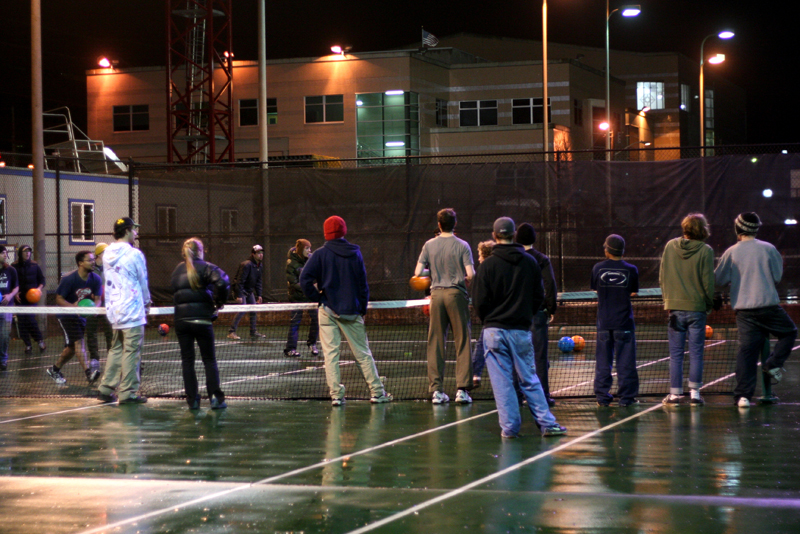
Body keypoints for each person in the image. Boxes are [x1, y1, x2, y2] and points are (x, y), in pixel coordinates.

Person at [472, 217, 566, 438]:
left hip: (493, 331)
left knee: (503, 383)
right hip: (521, 330)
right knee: (530, 379)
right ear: (513, 235)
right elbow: (538, 297)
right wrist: (523, 316)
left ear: (495, 236)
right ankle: (547, 424)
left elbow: (479, 302)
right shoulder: (530, 262)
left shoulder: (487, 266)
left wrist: (491, 319)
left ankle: (510, 429)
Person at [299, 215, 392, 406]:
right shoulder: (355, 253)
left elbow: (304, 280)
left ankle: (336, 396)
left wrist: (319, 298)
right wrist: (361, 307)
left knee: (331, 355)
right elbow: (362, 284)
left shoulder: (320, 254)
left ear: (326, 232)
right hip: (352, 310)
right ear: (344, 231)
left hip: (328, 310)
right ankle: (377, 392)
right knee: (363, 353)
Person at [715, 212, 798, 408]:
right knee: (789, 332)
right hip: (768, 306)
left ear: (738, 229)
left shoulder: (731, 252)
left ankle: (743, 396)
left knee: (747, 352)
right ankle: (773, 364)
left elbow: (718, 280)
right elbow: (777, 276)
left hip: (744, 311)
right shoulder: (769, 249)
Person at [415, 208, 475, 405]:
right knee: (463, 341)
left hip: (436, 296)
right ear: (454, 224)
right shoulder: (463, 245)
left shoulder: (428, 245)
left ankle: (437, 391)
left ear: (439, 224)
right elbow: (471, 274)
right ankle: (462, 390)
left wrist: (432, 272)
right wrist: (463, 279)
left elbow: (418, 272)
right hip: (456, 294)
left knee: (436, 342)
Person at [660, 214, 715, 406]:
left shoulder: (669, 246)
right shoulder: (706, 251)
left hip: (675, 309)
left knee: (675, 353)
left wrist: (668, 301)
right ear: (703, 229)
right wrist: (708, 305)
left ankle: (674, 395)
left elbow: (662, 276)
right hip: (697, 309)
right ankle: (695, 395)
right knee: (696, 352)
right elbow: (708, 282)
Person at [171, 238, 230, 410]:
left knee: (187, 360)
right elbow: (223, 282)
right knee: (209, 359)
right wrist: (218, 303)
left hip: (181, 321)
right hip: (202, 320)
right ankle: (216, 399)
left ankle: (193, 401)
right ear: (200, 251)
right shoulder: (207, 267)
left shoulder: (176, 270)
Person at [97, 217, 151, 404]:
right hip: (133, 311)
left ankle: (105, 388)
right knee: (131, 351)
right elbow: (142, 281)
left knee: (116, 349)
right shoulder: (134, 254)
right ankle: (127, 392)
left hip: (115, 311)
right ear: (127, 231)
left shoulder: (106, 254)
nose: (136, 233)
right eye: (134, 230)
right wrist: (147, 302)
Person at [591, 234, 640, 407]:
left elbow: (596, 289)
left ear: (607, 250)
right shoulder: (631, 269)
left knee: (603, 362)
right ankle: (626, 399)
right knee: (626, 362)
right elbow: (633, 291)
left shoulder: (598, 268)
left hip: (604, 323)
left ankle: (602, 397)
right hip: (624, 323)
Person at [515, 223, 558, 407]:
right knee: (539, 356)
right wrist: (551, 308)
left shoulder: (513, 258)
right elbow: (550, 285)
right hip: (537, 313)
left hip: (515, 314)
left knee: (516, 355)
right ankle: (543, 396)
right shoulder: (541, 259)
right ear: (534, 239)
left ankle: (517, 395)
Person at [46, 251, 103, 386]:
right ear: (80, 263)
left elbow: (98, 299)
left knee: (72, 348)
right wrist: (73, 308)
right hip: (66, 315)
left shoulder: (96, 279)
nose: (93, 262)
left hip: (81, 316)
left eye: (93, 259)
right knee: (79, 342)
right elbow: (59, 299)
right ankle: (89, 373)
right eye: (89, 260)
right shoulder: (69, 279)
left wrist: (95, 308)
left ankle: (54, 370)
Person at [284, 239, 319, 357]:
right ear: (301, 249)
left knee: (317, 319)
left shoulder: (310, 260)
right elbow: (293, 283)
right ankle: (290, 349)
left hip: (309, 296)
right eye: (307, 248)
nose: (310, 250)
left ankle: (312, 343)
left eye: (310, 248)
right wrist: (308, 287)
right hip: (297, 297)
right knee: (295, 322)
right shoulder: (291, 263)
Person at [12, 244, 46, 354]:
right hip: (20, 299)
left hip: (32, 298)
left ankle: (40, 341)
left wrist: (39, 289)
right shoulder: (14, 266)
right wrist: (15, 292)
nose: (27, 253)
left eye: (29, 251)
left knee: (31, 321)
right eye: (25, 251)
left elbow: (42, 280)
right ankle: (27, 345)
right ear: (20, 254)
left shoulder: (35, 266)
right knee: (22, 323)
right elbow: (12, 282)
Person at [227, 245, 265, 340]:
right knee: (242, 309)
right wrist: (239, 295)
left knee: (253, 310)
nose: (261, 255)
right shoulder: (246, 265)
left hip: (249, 291)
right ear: (253, 254)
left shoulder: (260, 266)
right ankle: (231, 332)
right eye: (258, 253)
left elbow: (258, 281)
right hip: (241, 290)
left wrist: (259, 295)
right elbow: (240, 281)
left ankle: (253, 332)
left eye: (262, 253)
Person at [471, 240, 495, 388]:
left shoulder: (484, 270)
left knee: (482, 343)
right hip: (494, 317)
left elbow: (479, 297)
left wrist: (484, 315)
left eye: (479, 255)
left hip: (492, 317)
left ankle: (474, 374)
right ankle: (475, 374)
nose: (478, 259)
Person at [86, 243, 114, 369]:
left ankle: (112, 357)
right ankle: (94, 358)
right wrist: (90, 295)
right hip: (92, 305)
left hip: (107, 306)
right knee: (91, 333)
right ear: (99, 255)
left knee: (110, 333)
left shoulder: (111, 268)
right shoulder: (89, 270)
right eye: (105, 253)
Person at [0, 245, 20, 371]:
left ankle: (3, 360)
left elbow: (16, 287)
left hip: (7, 308)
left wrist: (10, 295)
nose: (5, 255)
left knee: (4, 335)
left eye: (6, 253)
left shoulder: (11, 270)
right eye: (2, 253)